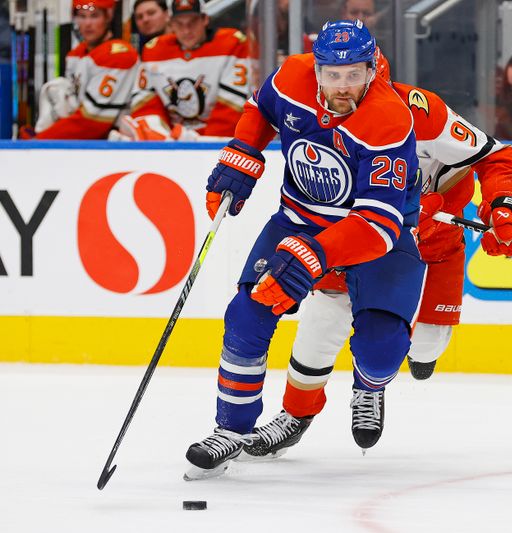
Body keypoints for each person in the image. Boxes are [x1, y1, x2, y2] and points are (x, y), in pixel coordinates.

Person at [236, 47, 512, 461]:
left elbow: (493, 156)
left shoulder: (420, 113)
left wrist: (501, 205)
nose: (346, 97)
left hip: (430, 246)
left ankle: (370, 383)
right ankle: (295, 415)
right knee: (321, 324)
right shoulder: (326, 116)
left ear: (374, 79)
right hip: (361, 244)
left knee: (423, 350)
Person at [184, 20, 425, 480]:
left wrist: (314, 253)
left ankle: (369, 386)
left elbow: (380, 223)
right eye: (332, 75)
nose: (342, 86)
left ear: (372, 68)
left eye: (353, 74)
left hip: (375, 243)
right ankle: (231, 430)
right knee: (247, 311)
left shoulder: (388, 118)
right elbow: (260, 108)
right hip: (298, 219)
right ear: (316, 69)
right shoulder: (292, 76)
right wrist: (242, 152)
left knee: (381, 351)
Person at [121, 0, 251, 141]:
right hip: (174, 142)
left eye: (193, 22)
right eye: (179, 23)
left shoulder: (231, 44)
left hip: (220, 142)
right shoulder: (154, 51)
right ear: (170, 24)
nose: (186, 30)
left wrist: (201, 145)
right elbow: (146, 105)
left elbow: (231, 106)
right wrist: (164, 139)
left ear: (205, 19)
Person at [30, 0, 138, 139]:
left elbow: (94, 121)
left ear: (108, 17)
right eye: (82, 16)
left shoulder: (120, 55)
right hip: (89, 143)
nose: (87, 23)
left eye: (94, 16)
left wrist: (40, 141)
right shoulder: (76, 54)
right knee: (55, 89)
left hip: (119, 146)